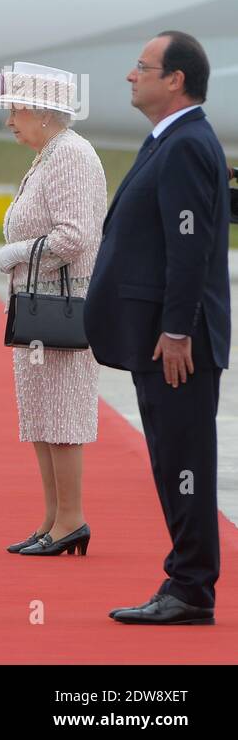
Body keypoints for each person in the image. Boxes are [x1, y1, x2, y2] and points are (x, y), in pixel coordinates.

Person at [85, 31, 228, 626]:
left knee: (183, 460)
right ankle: (186, 581)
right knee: (173, 461)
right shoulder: (170, 140)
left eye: (142, 67)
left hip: (176, 345)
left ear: (176, 79)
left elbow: (188, 248)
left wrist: (176, 331)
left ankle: (191, 588)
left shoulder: (186, 144)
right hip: (161, 339)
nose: (130, 75)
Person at [0, 63, 106, 556]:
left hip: (62, 304)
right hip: (38, 304)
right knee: (40, 415)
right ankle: (52, 518)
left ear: (43, 112)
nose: (10, 121)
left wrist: (18, 253)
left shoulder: (71, 156)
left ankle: (72, 520)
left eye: (16, 109)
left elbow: (75, 237)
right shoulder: (50, 154)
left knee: (62, 415)